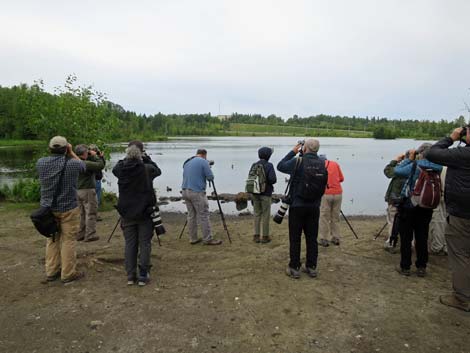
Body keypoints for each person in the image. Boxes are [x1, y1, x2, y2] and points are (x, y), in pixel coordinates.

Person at [426, 127, 470, 312]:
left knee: (460, 254)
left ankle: (462, 298)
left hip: (463, 213)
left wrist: (451, 138)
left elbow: (431, 153)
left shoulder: (464, 154)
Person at [36, 136, 86, 283]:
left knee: (51, 239)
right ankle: (68, 273)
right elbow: (83, 167)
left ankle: (51, 271)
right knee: (68, 240)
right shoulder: (73, 164)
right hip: (68, 208)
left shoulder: (41, 163)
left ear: (50, 148)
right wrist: (71, 152)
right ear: (66, 148)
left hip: (47, 209)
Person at [112, 141, 161, 286]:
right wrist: (146, 158)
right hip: (145, 212)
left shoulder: (121, 169)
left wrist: (128, 158)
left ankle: (130, 275)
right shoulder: (146, 168)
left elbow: (116, 168)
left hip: (127, 212)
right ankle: (143, 274)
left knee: (130, 244)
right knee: (145, 243)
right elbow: (158, 171)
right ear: (141, 153)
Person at [277, 138, 327, 279]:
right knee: (312, 238)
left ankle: (294, 267)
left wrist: (293, 151)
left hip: (297, 206)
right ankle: (311, 267)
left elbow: (280, 166)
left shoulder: (298, 161)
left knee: (295, 238)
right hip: (314, 206)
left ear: (305, 149)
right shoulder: (323, 163)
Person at [393, 144, 442, 277]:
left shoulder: (416, 166)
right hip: (427, 206)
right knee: (422, 237)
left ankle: (405, 266)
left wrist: (409, 158)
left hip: (410, 205)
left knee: (406, 237)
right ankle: (421, 267)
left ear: (420, 153)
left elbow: (397, 171)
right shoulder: (438, 167)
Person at [181, 149, 222, 245]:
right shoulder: (203, 162)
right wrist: (208, 167)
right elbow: (210, 177)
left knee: (191, 215)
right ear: (204, 155)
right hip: (196, 192)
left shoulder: (188, 161)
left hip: (185, 190)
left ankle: (193, 238)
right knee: (203, 215)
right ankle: (207, 239)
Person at [75, 144, 105, 242]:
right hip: (87, 190)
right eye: (87, 152)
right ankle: (90, 234)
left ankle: (81, 234)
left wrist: (91, 155)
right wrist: (97, 156)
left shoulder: (74, 162)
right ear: (84, 153)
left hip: (77, 190)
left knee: (82, 213)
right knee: (91, 212)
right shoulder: (85, 163)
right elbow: (100, 165)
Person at [250, 147, 277, 243]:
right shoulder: (269, 165)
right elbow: (273, 179)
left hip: (255, 193)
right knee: (265, 215)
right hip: (266, 193)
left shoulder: (254, 165)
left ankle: (256, 236)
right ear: (268, 155)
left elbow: (251, 179)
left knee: (257, 214)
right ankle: (265, 236)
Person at [383, 155, 407, 252]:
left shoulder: (402, 170)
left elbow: (387, 171)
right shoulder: (417, 168)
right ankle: (408, 244)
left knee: (392, 221)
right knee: (407, 223)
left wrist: (395, 160)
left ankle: (391, 243)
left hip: (395, 200)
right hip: (408, 201)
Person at [318, 155, 344, 247]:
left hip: (326, 194)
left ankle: (324, 238)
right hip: (338, 193)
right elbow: (342, 178)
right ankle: (336, 237)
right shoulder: (335, 164)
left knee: (324, 216)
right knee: (335, 216)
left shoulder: (319, 166)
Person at [428, 167, 447, 256]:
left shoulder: (441, 168)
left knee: (438, 222)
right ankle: (444, 246)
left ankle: (437, 247)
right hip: (449, 199)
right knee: (446, 222)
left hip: (440, 198)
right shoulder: (451, 166)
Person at [89, 144, 104, 221]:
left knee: (94, 199)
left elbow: (102, 165)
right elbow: (101, 165)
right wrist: (100, 157)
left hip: (96, 180)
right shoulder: (94, 159)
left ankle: (94, 215)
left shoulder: (87, 159)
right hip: (95, 180)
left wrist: (101, 157)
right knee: (95, 199)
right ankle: (95, 215)